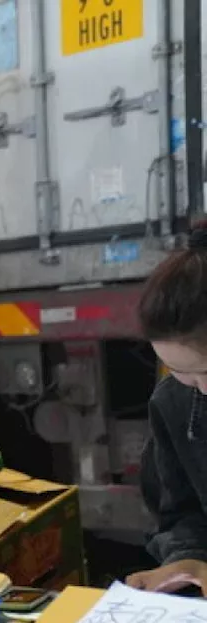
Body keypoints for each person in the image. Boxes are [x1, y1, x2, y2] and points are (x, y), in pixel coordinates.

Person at [125, 226, 207, 594]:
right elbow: (181, 512)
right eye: (180, 373)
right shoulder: (173, 401)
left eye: (205, 372)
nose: (200, 388)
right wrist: (186, 560)